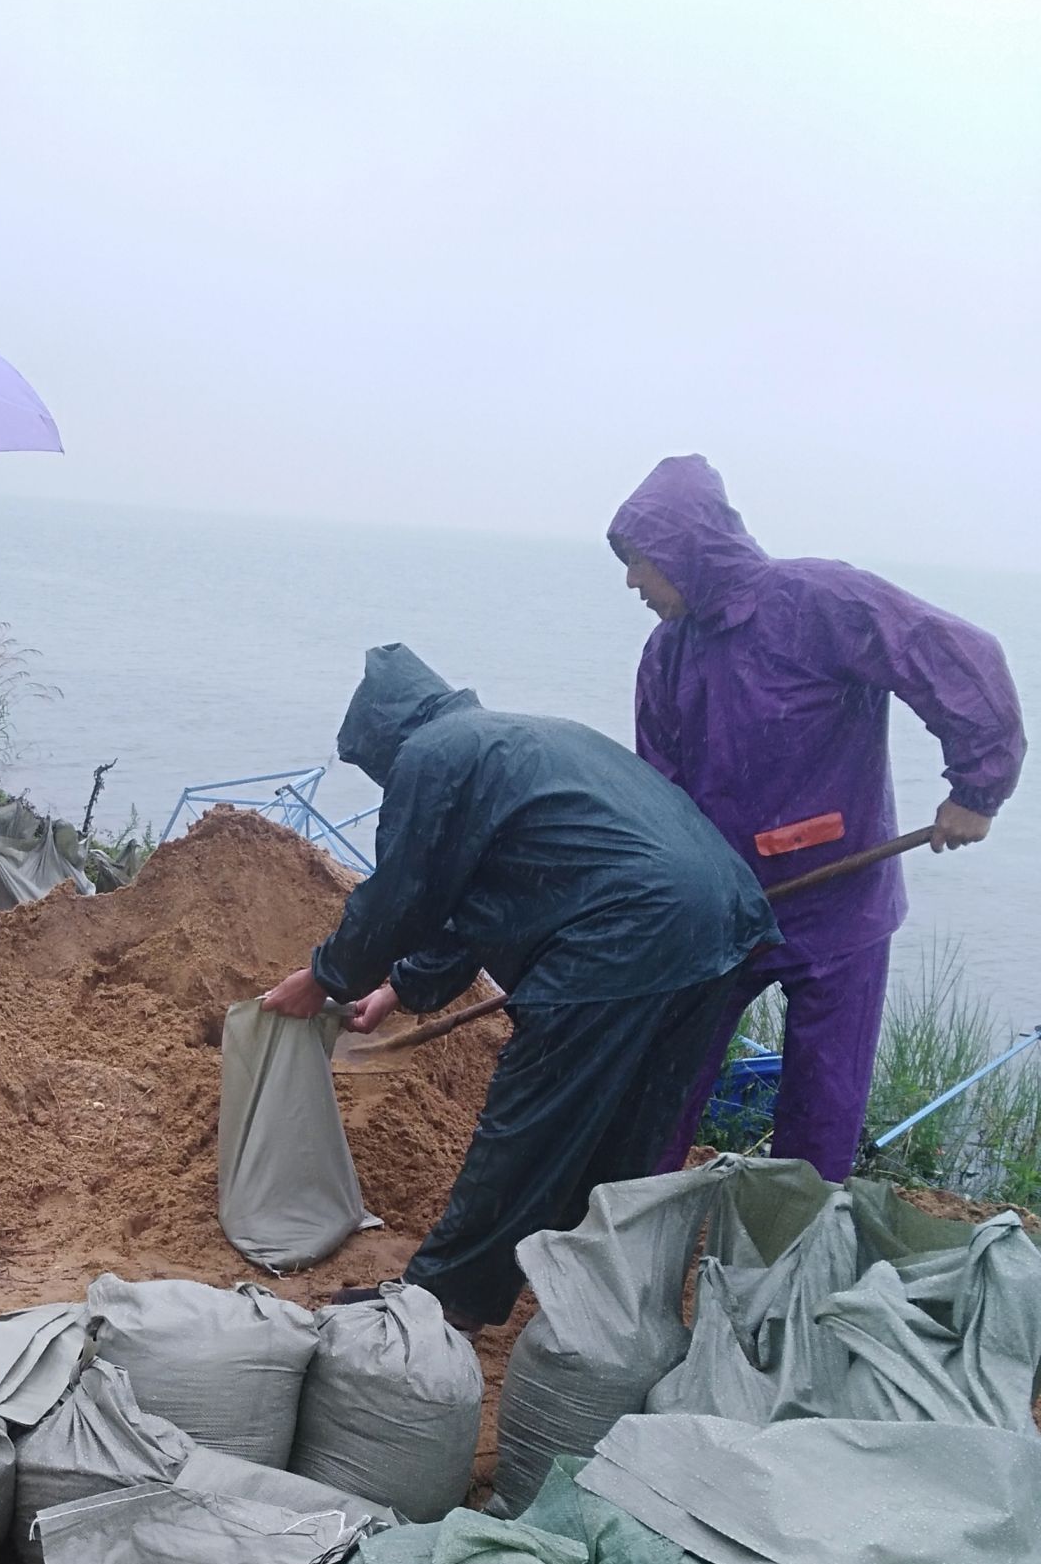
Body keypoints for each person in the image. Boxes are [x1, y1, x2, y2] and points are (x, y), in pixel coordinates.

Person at [262, 642, 776, 1329]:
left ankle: (445, 1298)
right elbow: (477, 902)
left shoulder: (433, 754)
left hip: (625, 933)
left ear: (386, 737)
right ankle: (590, 1285)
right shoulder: (512, 741)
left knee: (531, 1121)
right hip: (722, 923)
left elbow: (400, 898)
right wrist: (401, 990)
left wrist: (324, 976)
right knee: (630, 1123)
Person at [609, 455, 1025, 1180]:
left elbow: (954, 655)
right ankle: (630, 1237)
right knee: (661, 1090)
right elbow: (658, 799)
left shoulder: (819, 602)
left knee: (821, 1115)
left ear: (688, 551)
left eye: (641, 562)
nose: (632, 582)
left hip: (842, 912)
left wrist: (976, 788)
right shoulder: (665, 654)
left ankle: (781, 1267)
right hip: (723, 918)